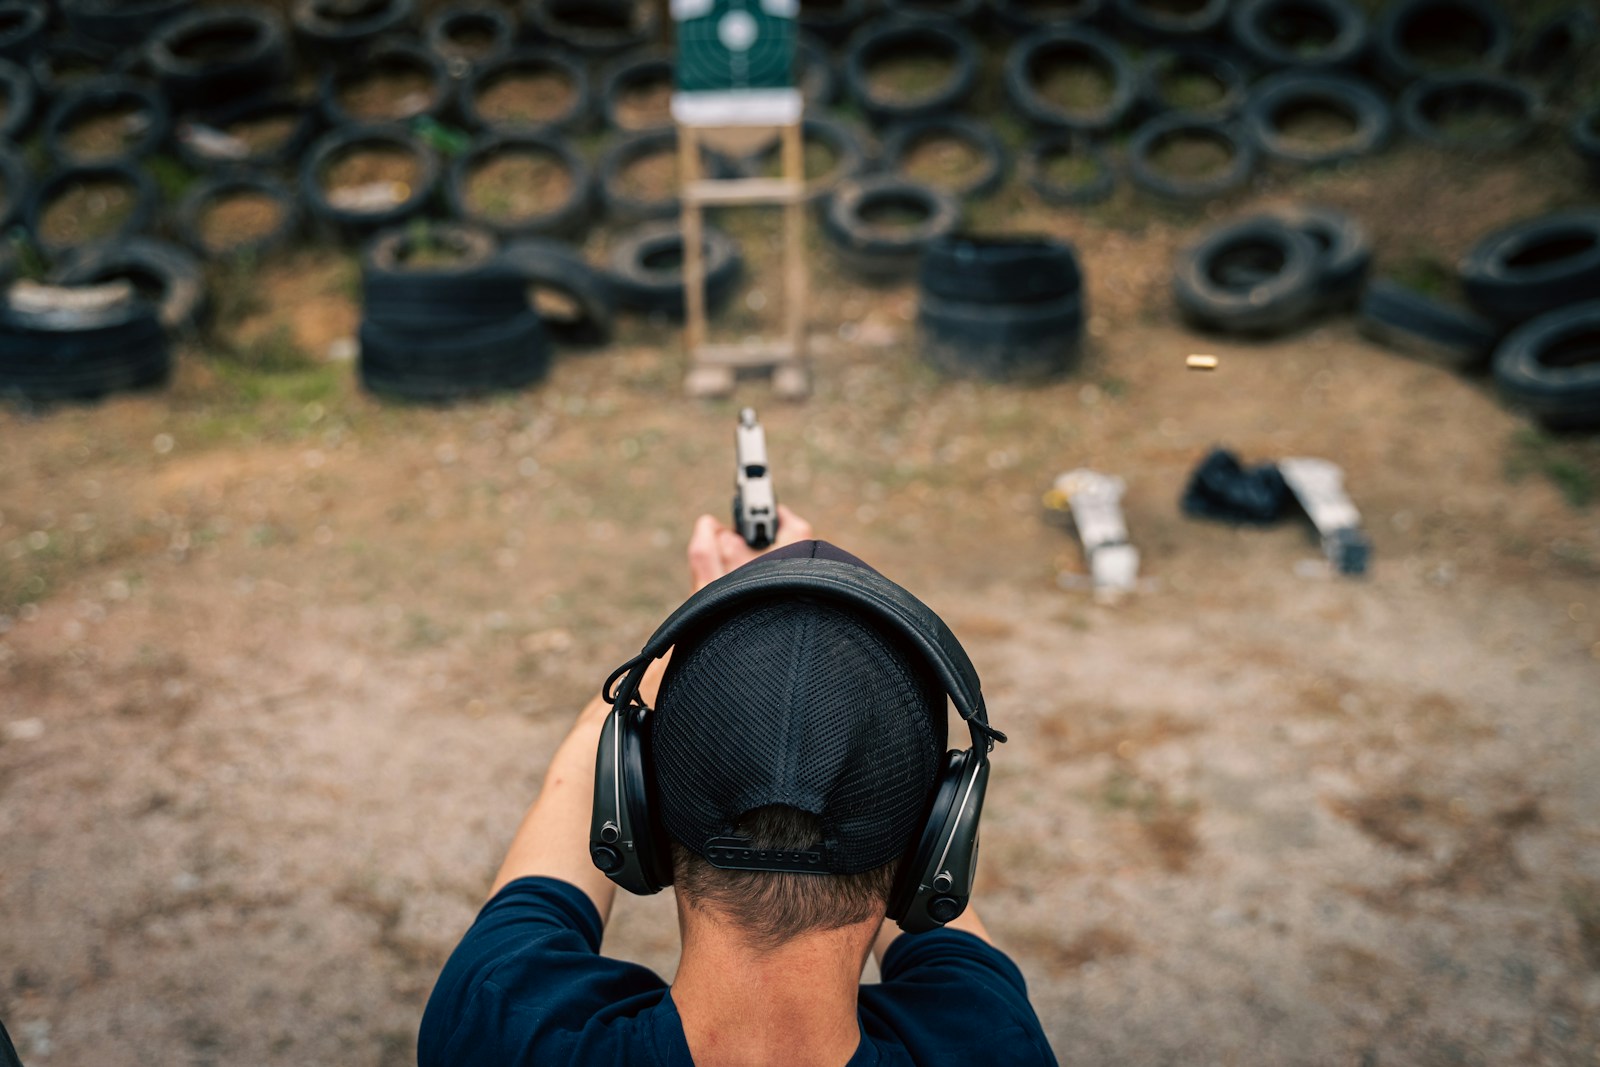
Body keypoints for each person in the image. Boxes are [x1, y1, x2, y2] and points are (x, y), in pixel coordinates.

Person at [419, 506, 1058, 1066]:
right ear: (935, 848)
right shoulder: (994, 1042)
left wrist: (713, 613)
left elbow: (573, 788)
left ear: (637, 812)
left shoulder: (498, 1028)